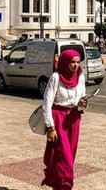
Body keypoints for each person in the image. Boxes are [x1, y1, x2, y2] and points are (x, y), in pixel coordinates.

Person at [41, 49, 88, 190]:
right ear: (65, 62)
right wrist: (51, 127)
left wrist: (82, 105)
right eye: (72, 62)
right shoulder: (56, 77)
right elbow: (46, 104)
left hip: (74, 119)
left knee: (68, 157)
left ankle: (57, 185)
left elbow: (82, 99)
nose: (75, 65)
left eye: (78, 62)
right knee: (64, 158)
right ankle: (65, 186)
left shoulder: (80, 77)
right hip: (58, 119)